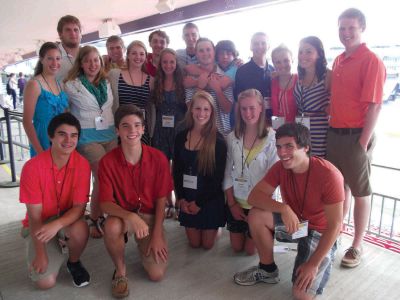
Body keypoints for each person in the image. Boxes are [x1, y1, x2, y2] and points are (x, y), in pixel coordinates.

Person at [233, 123, 344, 300]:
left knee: (301, 295)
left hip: (320, 233)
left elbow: (336, 226)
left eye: (289, 146)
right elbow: (254, 197)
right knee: (256, 215)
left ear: (306, 147)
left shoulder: (329, 174)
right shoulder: (280, 168)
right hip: (296, 226)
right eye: (279, 146)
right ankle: (268, 270)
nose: (282, 153)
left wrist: (313, 264)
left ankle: (319, 257)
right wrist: (283, 208)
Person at [327, 8, 386, 268]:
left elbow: (374, 106)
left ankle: (357, 245)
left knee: (361, 192)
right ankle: (336, 234)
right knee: (340, 190)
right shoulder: (339, 60)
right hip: (335, 134)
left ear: (361, 28)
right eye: (342, 28)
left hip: (355, 136)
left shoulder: (371, 60)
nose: (346, 33)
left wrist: (362, 143)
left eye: (351, 28)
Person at [98, 104, 173, 298]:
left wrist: (156, 234)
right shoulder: (107, 162)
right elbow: (105, 203)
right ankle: (120, 271)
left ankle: (147, 242)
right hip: (124, 216)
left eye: (137, 125)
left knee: (156, 274)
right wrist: (131, 216)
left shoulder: (159, 159)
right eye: (125, 126)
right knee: (112, 226)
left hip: (150, 216)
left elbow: (161, 199)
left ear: (143, 129)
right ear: (117, 130)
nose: (132, 131)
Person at [19, 112, 91, 289]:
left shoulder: (82, 164)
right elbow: (35, 217)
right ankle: (46, 248)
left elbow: (79, 208)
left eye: (74, 135)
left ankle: (73, 262)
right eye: (62, 134)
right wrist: (40, 253)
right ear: (50, 136)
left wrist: (58, 224)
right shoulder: (32, 167)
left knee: (80, 229)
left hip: (65, 220)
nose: (68, 140)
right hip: (40, 224)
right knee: (45, 283)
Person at [64, 45, 117, 238]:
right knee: (102, 177)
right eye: (88, 61)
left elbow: (111, 107)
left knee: (109, 178)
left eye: (96, 60)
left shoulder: (107, 82)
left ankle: (108, 214)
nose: (92, 64)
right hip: (87, 137)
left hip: (110, 135)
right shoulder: (71, 84)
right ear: (81, 64)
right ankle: (95, 218)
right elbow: (65, 110)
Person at [223, 89, 278, 255]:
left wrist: (257, 208)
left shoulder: (272, 138)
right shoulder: (232, 137)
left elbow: (273, 179)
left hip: (260, 205)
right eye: (243, 109)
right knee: (236, 247)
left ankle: (266, 229)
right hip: (237, 202)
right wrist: (232, 203)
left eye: (252, 108)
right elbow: (226, 173)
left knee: (250, 251)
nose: (248, 113)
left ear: (261, 107)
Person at [173, 90, 227, 249]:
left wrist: (199, 203)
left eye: (206, 109)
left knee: (207, 245)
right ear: (191, 109)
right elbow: (176, 170)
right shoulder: (181, 136)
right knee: (194, 244)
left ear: (212, 112)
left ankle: (217, 227)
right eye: (197, 108)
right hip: (188, 195)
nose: (201, 113)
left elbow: (217, 179)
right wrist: (181, 198)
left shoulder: (219, 141)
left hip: (209, 197)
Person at [150, 48, 187, 219]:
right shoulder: (154, 82)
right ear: (160, 64)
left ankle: (180, 203)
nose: (168, 65)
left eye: (171, 62)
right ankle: (168, 202)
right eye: (165, 62)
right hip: (160, 131)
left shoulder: (183, 82)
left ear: (176, 63)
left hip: (179, 130)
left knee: (178, 168)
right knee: (162, 169)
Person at [23, 42, 68, 157]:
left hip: (60, 142)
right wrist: (39, 151)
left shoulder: (59, 84)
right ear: (41, 59)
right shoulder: (34, 84)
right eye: (50, 59)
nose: (55, 63)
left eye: (58, 58)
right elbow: (27, 122)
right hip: (43, 142)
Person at [184, 38, 233, 137]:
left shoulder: (224, 76)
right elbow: (190, 108)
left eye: (208, 49)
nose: (205, 53)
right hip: (198, 134)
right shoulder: (190, 77)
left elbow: (227, 109)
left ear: (214, 52)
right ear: (196, 54)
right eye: (201, 51)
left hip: (221, 134)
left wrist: (218, 91)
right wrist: (199, 86)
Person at [109, 40, 154, 145]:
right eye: (134, 53)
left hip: (141, 128)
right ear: (128, 55)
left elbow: (151, 108)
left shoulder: (151, 80)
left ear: (145, 57)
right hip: (121, 127)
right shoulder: (114, 75)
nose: (138, 57)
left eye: (141, 54)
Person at [294, 36, 331, 157]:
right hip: (301, 131)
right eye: (300, 52)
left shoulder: (328, 75)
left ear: (319, 54)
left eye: (308, 51)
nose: (303, 55)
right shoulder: (299, 76)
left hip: (320, 133)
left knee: (318, 166)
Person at [235, 32, 274, 122]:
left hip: (272, 119)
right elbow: (238, 101)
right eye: (256, 43)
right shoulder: (242, 71)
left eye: (263, 43)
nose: (259, 46)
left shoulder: (273, 70)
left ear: (268, 46)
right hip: (250, 120)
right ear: (251, 47)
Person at [270, 44, 298, 127]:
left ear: (292, 60)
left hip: (298, 130)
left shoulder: (300, 80)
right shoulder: (272, 82)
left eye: (286, 60)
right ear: (273, 64)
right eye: (278, 62)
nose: (282, 65)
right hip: (278, 130)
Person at [56, 15, 82, 82]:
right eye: (68, 30)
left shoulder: (88, 54)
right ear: (60, 34)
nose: (73, 33)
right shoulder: (51, 57)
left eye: (76, 30)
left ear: (80, 33)